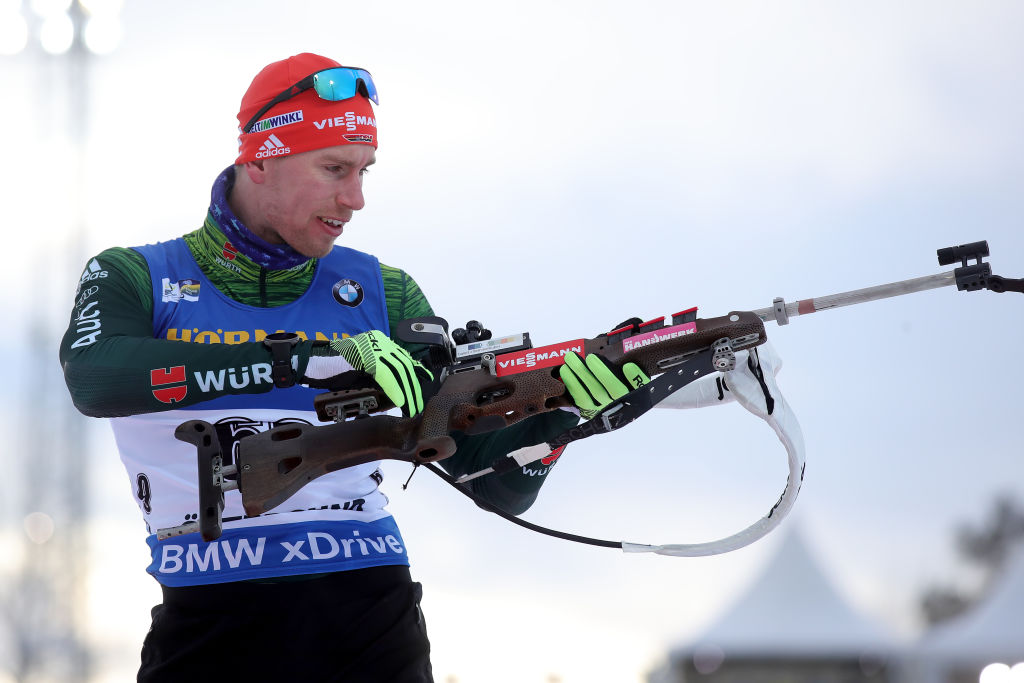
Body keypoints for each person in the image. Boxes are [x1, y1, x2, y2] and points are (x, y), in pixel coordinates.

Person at [59, 53, 640, 682]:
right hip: (210, 621)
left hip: (369, 618)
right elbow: (97, 379)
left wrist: (559, 415)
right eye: (334, 168)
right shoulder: (137, 277)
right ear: (259, 158)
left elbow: (491, 481)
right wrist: (300, 358)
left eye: (364, 171)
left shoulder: (381, 291)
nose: (355, 198)